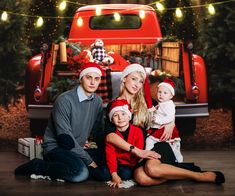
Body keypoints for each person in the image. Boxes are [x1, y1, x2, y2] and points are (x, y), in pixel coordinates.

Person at [105, 63, 225, 186]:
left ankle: (198, 176)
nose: (137, 84)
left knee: (152, 169)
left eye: (141, 81)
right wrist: (138, 152)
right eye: (134, 79)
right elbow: (110, 136)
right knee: (142, 178)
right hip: (139, 151)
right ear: (124, 78)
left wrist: (170, 123)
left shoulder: (148, 102)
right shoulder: (114, 105)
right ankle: (173, 173)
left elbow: (168, 110)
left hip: (157, 142)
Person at [14, 62, 107, 182]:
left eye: (97, 78)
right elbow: (65, 140)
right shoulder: (65, 100)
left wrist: (106, 152)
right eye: (89, 77)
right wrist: (89, 161)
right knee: (80, 174)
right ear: (81, 79)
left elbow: (98, 132)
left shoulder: (97, 102)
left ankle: (77, 165)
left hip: (78, 148)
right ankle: (38, 165)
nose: (93, 82)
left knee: (106, 173)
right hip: (57, 147)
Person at [105, 99, 146, 188]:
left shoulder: (138, 131)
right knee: (105, 173)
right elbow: (110, 156)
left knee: (126, 173)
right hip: (116, 162)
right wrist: (114, 174)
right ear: (111, 120)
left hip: (132, 163)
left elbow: (139, 152)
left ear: (129, 116)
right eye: (116, 115)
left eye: (123, 114)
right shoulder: (112, 135)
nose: (120, 118)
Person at [146, 78, 183, 162]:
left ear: (171, 96)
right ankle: (148, 155)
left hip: (162, 128)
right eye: (159, 92)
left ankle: (179, 160)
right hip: (158, 127)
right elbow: (158, 111)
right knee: (150, 141)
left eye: (165, 93)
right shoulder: (161, 104)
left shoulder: (169, 105)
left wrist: (156, 119)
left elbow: (169, 117)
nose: (161, 95)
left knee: (170, 145)